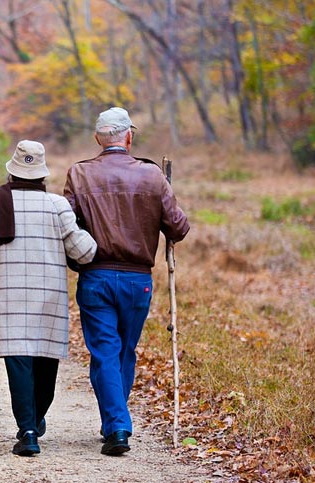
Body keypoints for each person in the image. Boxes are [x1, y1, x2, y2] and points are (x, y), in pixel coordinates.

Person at [63, 107, 190, 456]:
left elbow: (65, 223)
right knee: (123, 351)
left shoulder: (79, 174)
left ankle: (115, 424)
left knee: (105, 351)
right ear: (129, 137)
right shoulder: (151, 176)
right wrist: (164, 195)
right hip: (137, 281)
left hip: (96, 275)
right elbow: (179, 227)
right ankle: (117, 424)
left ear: (97, 139)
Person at [0, 140, 97, 457]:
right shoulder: (57, 206)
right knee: (44, 363)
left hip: (8, 300)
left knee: (18, 362)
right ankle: (34, 421)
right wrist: (89, 231)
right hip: (49, 297)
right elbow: (85, 252)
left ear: (11, 172)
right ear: (42, 175)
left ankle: (28, 430)